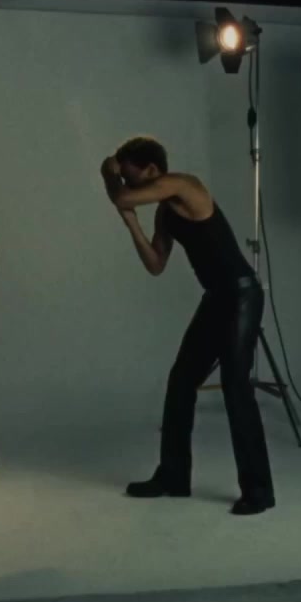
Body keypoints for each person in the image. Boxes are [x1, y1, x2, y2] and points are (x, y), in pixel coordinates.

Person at [100, 136, 275, 516]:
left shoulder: (184, 184)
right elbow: (155, 264)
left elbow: (121, 196)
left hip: (242, 295)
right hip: (216, 298)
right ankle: (173, 476)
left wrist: (108, 174)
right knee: (181, 381)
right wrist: (130, 222)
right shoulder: (165, 212)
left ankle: (259, 491)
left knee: (235, 386)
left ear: (152, 170)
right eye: (123, 178)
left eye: (131, 176)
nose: (128, 184)